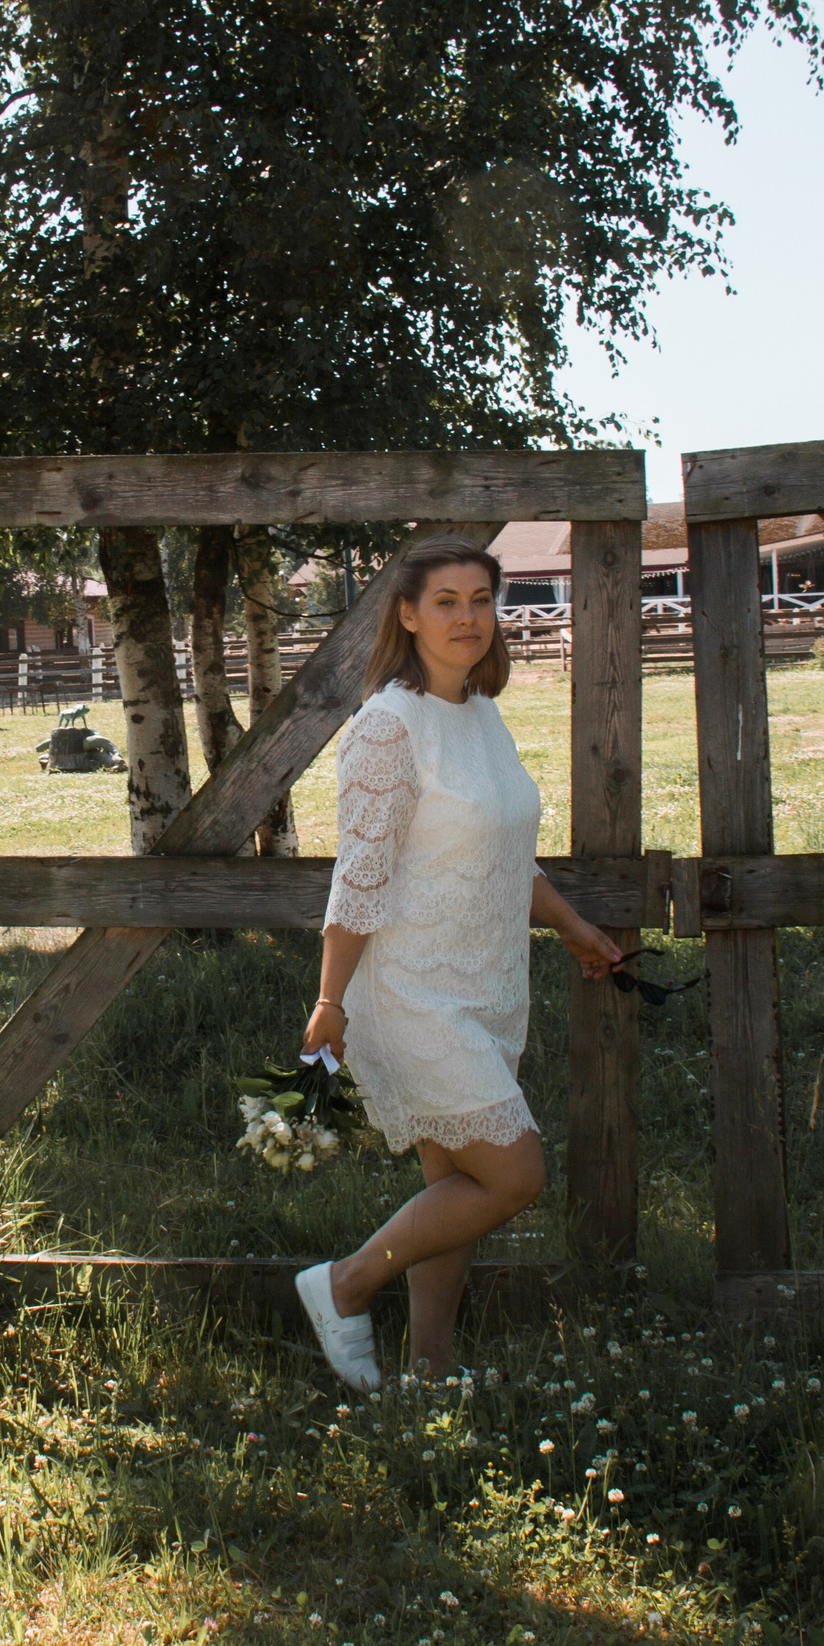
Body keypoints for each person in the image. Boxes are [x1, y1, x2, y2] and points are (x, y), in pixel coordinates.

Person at [292, 535, 622, 1391]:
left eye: (482, 598)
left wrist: (576, 929)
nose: (468, 616)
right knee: (513, 1174)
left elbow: (508, 853)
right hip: (410, 990)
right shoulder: (388, 725)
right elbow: (358, 873)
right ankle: (343, 1284)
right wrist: (330, 1000)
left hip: (483, 984)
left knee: (453, 1188)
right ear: (407, 614)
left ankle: (431, 1373)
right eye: (446, 600)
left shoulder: (480, 713)